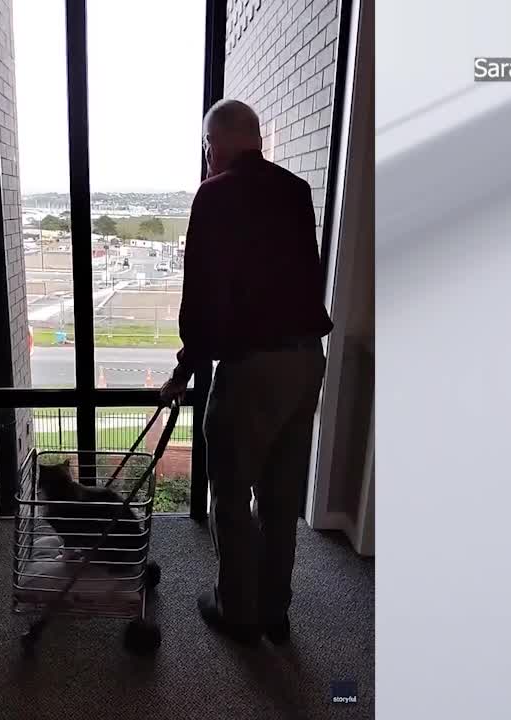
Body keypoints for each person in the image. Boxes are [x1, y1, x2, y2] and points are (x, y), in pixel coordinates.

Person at [160, 98, 332, 646]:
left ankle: (238, 612)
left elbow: (206, 297)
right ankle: (274, 611)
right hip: (306, 364)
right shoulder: (296, 192)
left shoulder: (215, 196)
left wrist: (186, 367)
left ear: (220, 143)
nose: (208, 158)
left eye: (209, 147)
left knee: (231, 496)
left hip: (252, 370)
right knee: (281, 498)